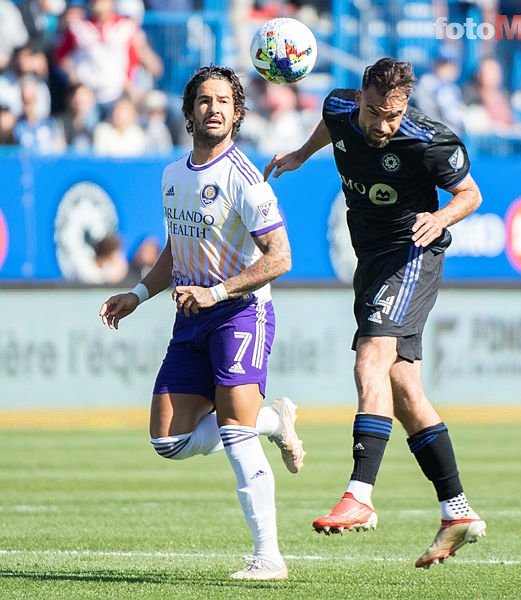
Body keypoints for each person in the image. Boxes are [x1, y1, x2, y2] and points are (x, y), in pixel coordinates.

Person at [264, 57, 486, 569]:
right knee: (405, 391)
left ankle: (359, 495)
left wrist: (441, 216)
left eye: (394, 114)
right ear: (361, 96)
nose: (384, 125)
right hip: (370, 256)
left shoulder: (430, 141)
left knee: (370, 359)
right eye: (376, 113)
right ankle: (457, 512)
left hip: (411, 251)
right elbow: (332, 124)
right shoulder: (340, 105)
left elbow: (471, 194)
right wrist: (301, 154)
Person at [99, 65, 304, 581]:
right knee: (167, 441)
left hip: (239, 312)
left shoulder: (245, 179)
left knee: (235, 433)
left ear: (237, 113)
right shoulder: (173, 175)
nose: (213, 108)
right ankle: (274, 419)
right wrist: (140, 293)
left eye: (223, 101)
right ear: (189, 111)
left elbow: (279, 257)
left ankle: (268, 557)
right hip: (190, 316)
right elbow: (178, 247)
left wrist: (217, 291)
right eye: (204, 101)